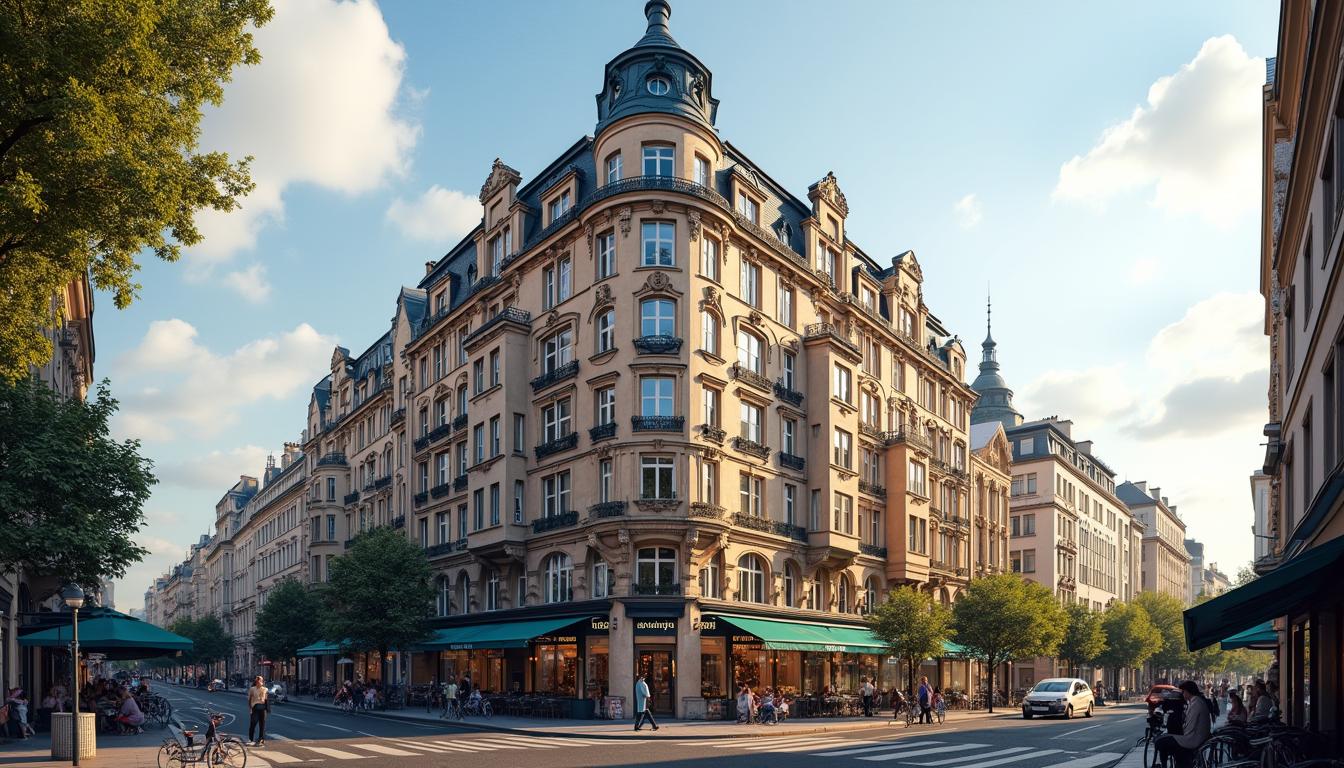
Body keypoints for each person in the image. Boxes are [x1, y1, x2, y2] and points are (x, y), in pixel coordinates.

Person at [1155, 681, 1211, 768]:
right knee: (1164, 740)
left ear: (1188, 692)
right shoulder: (1196, 701)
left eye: (1184, 692)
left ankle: (1165, 765)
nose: (1183, 694)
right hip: (1197, 736)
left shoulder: (1196, 703)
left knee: (1160, 742)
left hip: (1193, 739)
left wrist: (1178, 735)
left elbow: (1189, 726)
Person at [247, 676, 269, 747]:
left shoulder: (265, 689)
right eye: (257, 681)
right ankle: (251, 739)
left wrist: (267, 708)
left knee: (262, 724)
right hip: (255, 708)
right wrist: (250, 708)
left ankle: (261, 739)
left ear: (262, 681)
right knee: (253, 723)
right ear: (256, 682)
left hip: (262, 708)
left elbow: (266, 700)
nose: (259, 682)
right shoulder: (252, 689)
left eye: (260, 680)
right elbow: (249, 699)